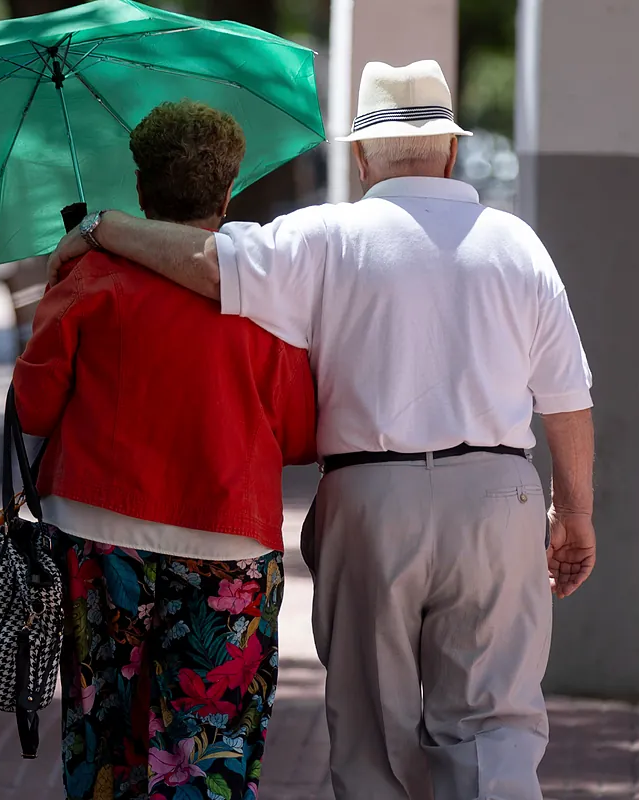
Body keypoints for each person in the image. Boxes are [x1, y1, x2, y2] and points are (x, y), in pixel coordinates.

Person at [47, 61, 596, 800]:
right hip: (498, 499)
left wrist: (102, 228)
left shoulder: (326, 234)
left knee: (374, 731)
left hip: (371, 500)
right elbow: (566, 397)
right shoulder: (518, 245)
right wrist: (575, 513)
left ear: (362, 157)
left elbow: (208, 263)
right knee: (495, 722)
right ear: (453, 152)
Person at [12, 100, 317, 800]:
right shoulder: (264, 297)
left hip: (99, 536)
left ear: (143, 191)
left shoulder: (91, 279)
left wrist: (61, 286)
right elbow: (298, 434)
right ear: (229, 190)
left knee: (105, 746)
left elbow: (32, 406)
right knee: (210, 754)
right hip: (226, 541)